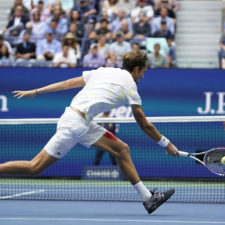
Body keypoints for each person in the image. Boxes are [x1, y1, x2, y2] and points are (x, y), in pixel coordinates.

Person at [7, 50, 179, 214]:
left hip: (80, 120)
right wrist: (167, 144)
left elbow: (67, 84)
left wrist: (36, 92)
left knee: (122, 149)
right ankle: (148, 198)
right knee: (34, 168)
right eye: (144, 71)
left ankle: (148, 198)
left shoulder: (103, 71)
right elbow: (144, 124)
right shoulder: (131, 87)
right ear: (136, 69)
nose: (143, 75)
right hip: (75, 124)